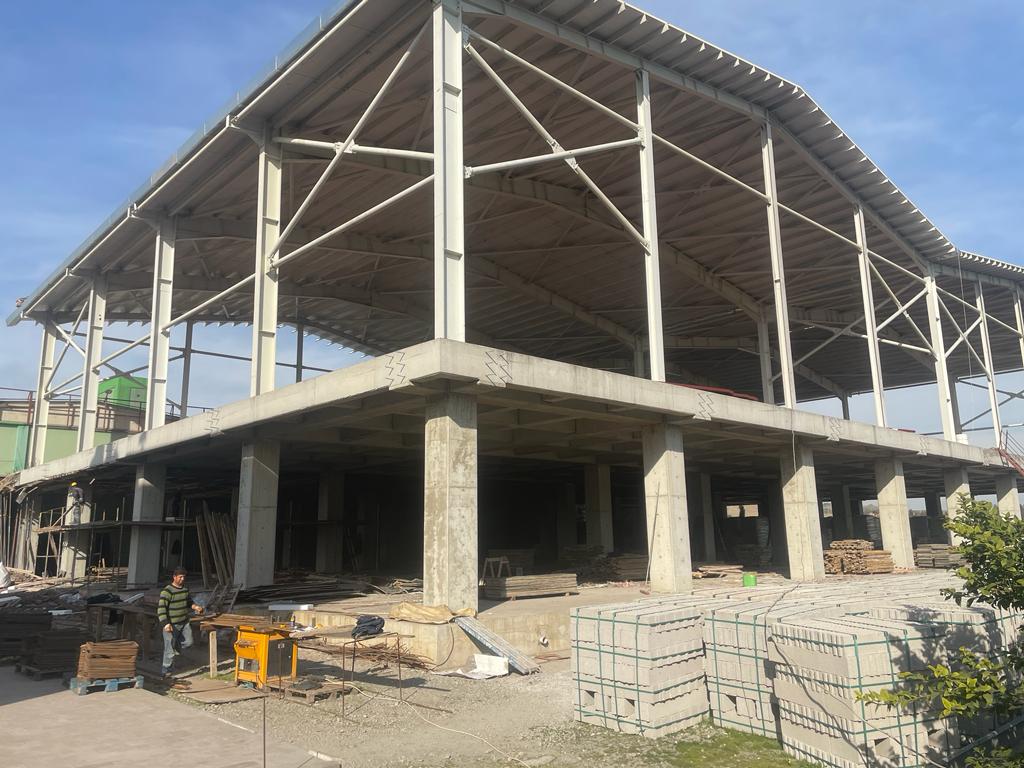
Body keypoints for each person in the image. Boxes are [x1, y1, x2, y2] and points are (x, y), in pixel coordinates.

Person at [158, 566, 203, 677]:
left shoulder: (185, 589)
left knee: (189, 642)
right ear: (174, 577)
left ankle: (176, 649)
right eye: (180, 577)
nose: (182, 579)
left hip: (184, 622)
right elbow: (161, 609)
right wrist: (166, 624)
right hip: (171, 624)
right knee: (169, 649)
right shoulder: (167, 591)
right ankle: (166, 671)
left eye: (184, 577)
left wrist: (196, 607)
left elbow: (189, 602)